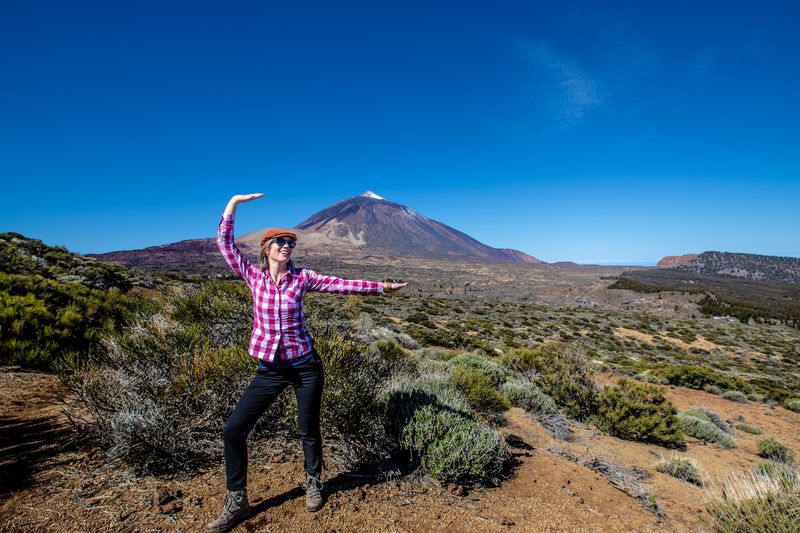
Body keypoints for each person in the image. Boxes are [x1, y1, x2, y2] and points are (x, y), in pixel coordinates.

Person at [207, 193, 407, 533]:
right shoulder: (253, 277)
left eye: (291, 243)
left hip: (305, 365)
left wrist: (382, 288)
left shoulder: (302, 279)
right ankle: (237, 498)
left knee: (308, 427)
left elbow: (342, 285)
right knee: (234, 429)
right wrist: (233, 204)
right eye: (281, 242)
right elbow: (225, 244)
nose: (288, 246)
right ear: (267, 248)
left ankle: (314, 481)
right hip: (270, 369)